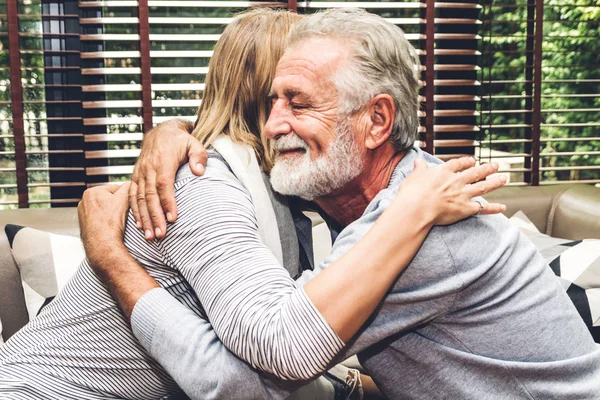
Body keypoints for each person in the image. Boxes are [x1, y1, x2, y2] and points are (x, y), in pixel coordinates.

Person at [85, 8, 600, 400]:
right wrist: (171, 131)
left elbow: (260, 364)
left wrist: (111, 256)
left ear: (376, 121)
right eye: (270, 102)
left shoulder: (426, 226)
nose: (272, 125)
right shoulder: (363, 199)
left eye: (300, 102)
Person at [0, 9, 505, 400]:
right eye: (291, 92)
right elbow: (244, 379)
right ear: (264, 97)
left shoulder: (286, 187)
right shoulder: (203, 181)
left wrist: (169, 129)